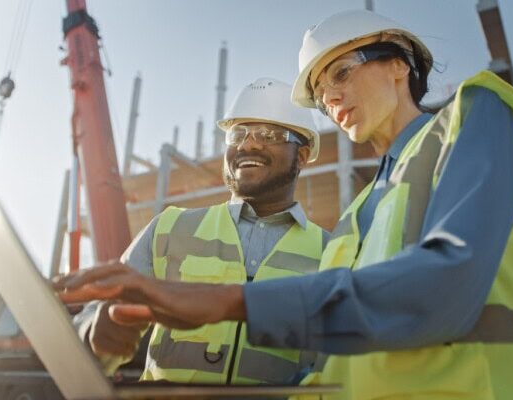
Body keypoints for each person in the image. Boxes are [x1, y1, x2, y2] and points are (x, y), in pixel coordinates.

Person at [57, 10, 513, 399]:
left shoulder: (475, 118)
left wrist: (225, 301)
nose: (331, 98)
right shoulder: (353, 223)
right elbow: (330, 371)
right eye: (322, 92)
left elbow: (446, 287)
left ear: (397, 64)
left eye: (341, 74)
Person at [72, 77, 328, 384]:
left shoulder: (333, 252)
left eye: (268, 134)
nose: (248, 144)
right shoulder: (170, 228)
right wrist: (95, 334)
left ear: (300, 156)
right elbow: (96, 315)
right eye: (238, 134)